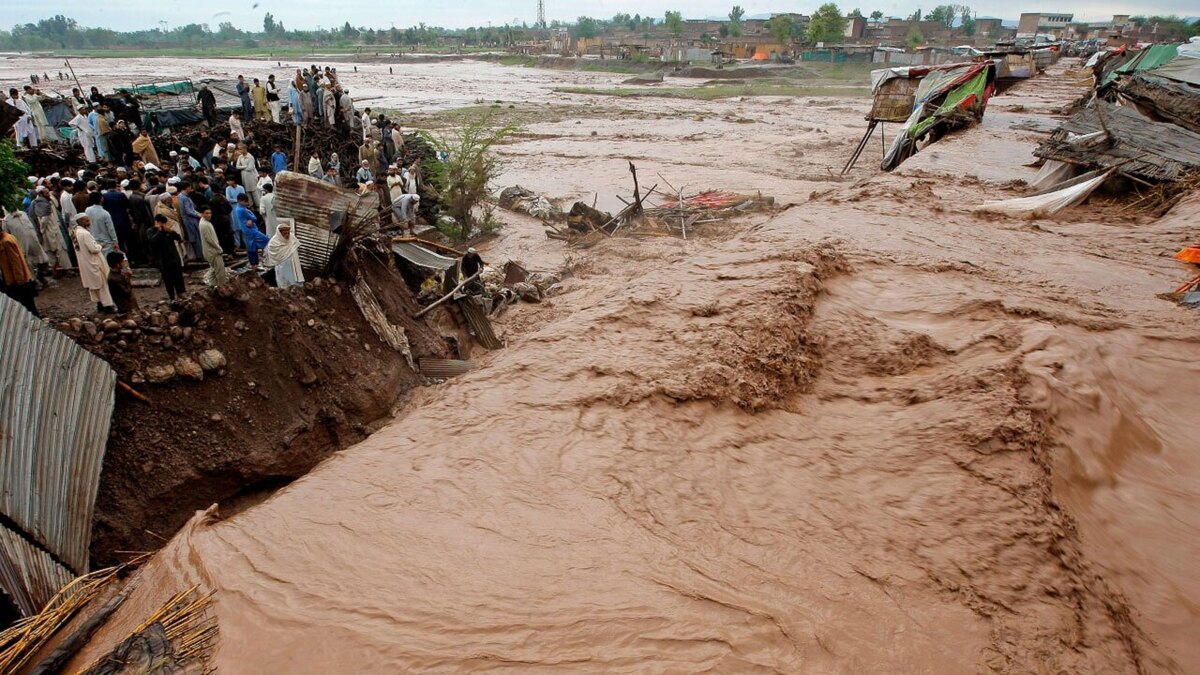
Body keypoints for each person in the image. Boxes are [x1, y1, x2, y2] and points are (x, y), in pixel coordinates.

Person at [70, 213, 115, 313]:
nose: (89, 222)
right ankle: (107, 306)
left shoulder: (74, 232)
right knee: (102, 285)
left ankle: (100, 305)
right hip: (93, 262)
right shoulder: (85, 234)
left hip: (85, 263)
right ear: (81, 221)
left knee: (94, 286)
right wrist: (100, 246)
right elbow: (93, 249)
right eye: (87, 221)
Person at [2, 207, 49, 280]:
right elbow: (7, 237)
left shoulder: (24, 214)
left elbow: (32, 227)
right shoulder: (6, 221)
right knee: (28, 266)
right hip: (23, 247)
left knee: (44, 261)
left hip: (35, 243)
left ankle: (40, 277)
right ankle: (34, 282)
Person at [0, 228, 38, 314]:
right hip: (18, 279)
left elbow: (15, 262)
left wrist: (19, 280)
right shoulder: (8, 238)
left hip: (17, 281)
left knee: (26, 306)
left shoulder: (6, 242)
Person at [148, 214, 185, 300]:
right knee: (168, 280)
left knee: (178, 277)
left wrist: (171, 231)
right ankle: (172, 297)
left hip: (173, 257)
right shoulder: (151, 231)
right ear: (157, 222)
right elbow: (152, 241)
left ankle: (181, 293)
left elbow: (179, 238)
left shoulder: (168, 231)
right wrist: (160, 231)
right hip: (163, 260)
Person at [264, 219, 304, 288]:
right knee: (284, 281)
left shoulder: (292, 238)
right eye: (284, 233)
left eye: (288, 233)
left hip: (293, 265)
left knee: (294, 281)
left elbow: (294, 249)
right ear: (279, 233)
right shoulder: (273, 243)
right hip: (282, 265)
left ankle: (297, 288)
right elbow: (273, 256)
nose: (287, 235)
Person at [233, 194, 269, 265]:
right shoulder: (242, 209)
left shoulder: (239, 208)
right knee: (266, 241)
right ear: (240, 201)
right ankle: (263, 257)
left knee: (252, 248)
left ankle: (254, 265)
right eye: (245, 202)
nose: (246, 203)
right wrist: (251, 217)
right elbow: (254, 218)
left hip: (248, 230)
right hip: (251, 230)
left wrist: (251, 219)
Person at [198, 205, 227, 287]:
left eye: (210, 213)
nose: (209, 215)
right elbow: (210, 240)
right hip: (213, 251)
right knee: (220, 272)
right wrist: (219, 249)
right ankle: (222, 288)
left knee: (214, 269)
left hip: (210, 251)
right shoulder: (205, 224)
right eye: (206, 213)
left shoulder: (204, 222)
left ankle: (212, 286)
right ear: (202, 214)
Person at [85, 192, 119, 257]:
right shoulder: (105, 213)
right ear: (101, 199)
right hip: (106, 241)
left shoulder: (87, 210)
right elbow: (111, 229)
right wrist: (115, 241)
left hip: (94, 239)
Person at [177, 182, 203, 261]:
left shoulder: (182, 196)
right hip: (189, 219)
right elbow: (188, 211)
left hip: (190, 218)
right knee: (195, 238)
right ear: (186, 188)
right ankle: (199, 256)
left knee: (195, 237)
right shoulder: (183, 197)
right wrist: (198, 215)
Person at [224, 176, 246, 250]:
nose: (228, 182)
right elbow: (228, 199)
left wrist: (239, 201)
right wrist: (237, 200)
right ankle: (237, 244)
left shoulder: (241, 188)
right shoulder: (228, 189)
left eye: (230, 181)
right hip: (233, 208)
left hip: (241, 207)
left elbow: (244, 197)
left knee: (243, 225)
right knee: (235, 226)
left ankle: (245, 243)